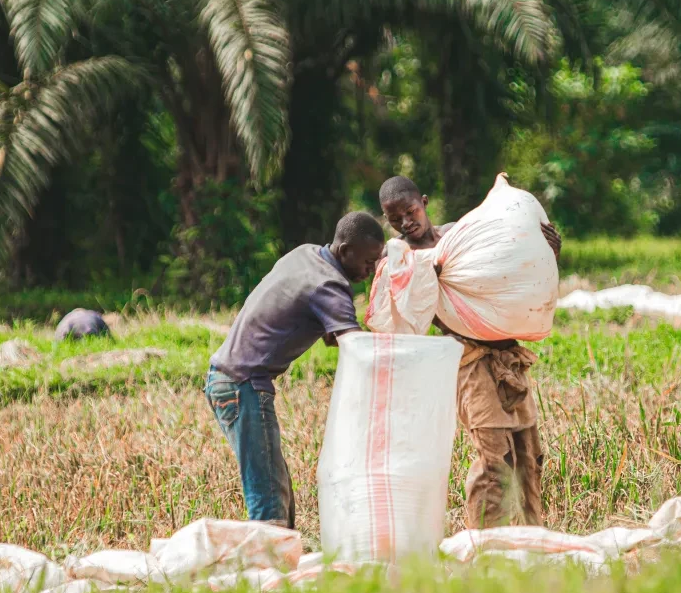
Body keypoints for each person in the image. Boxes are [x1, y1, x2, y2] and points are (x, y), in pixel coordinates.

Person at [379, 175, 561, 529]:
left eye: (411, 211)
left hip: (510, 359)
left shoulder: (457, 237)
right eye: (394, 218)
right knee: (495, 461)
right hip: (470, 366)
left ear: (425, 202)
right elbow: (407, 313)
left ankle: (530, 538)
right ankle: (484, 544)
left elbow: (510, 266)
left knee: (528, 455)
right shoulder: (404, 258)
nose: (405, 222)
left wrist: (546, 253)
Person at [206, 211, 385, 528]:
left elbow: (329, 332)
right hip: (244, 385)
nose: (371, 271)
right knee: (269, 497)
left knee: (276, 488)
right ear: (345, 252)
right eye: (369, 263)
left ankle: (279, 563)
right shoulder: (329, 284)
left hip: (227, 379)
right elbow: (356, 347)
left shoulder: (306, 254)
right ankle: (267, 572)